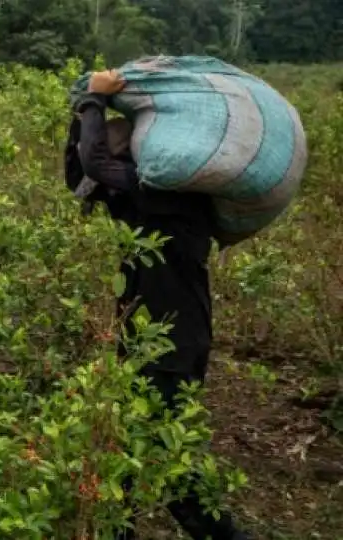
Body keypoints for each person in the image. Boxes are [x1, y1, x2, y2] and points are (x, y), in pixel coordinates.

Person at [65, 70, 252, 540]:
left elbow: (96, 165)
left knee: (171, 466)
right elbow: (80, 172)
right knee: (125, 449)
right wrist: (82, 111)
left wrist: (93, 101)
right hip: (146, 341)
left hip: (172, 347)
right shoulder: (144, 195)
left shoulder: (168, 195)